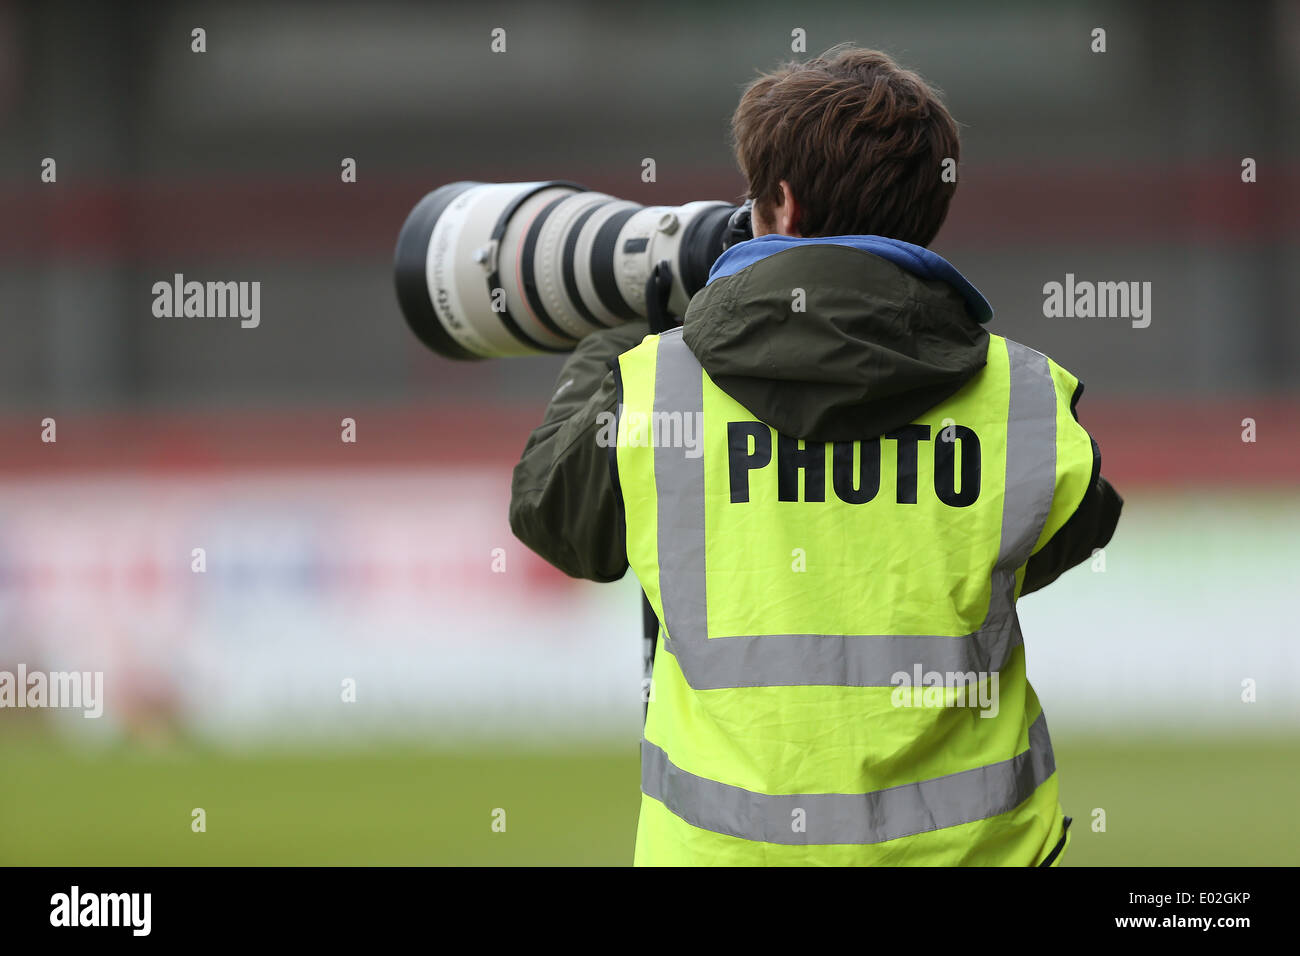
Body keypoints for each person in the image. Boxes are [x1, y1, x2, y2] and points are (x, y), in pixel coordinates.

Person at [509, 45, 1122, 866]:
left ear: (783, 205)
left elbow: (555, 520)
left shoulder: (656, 389)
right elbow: (1063, 537)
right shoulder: (1024, 397)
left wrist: (623, 338)